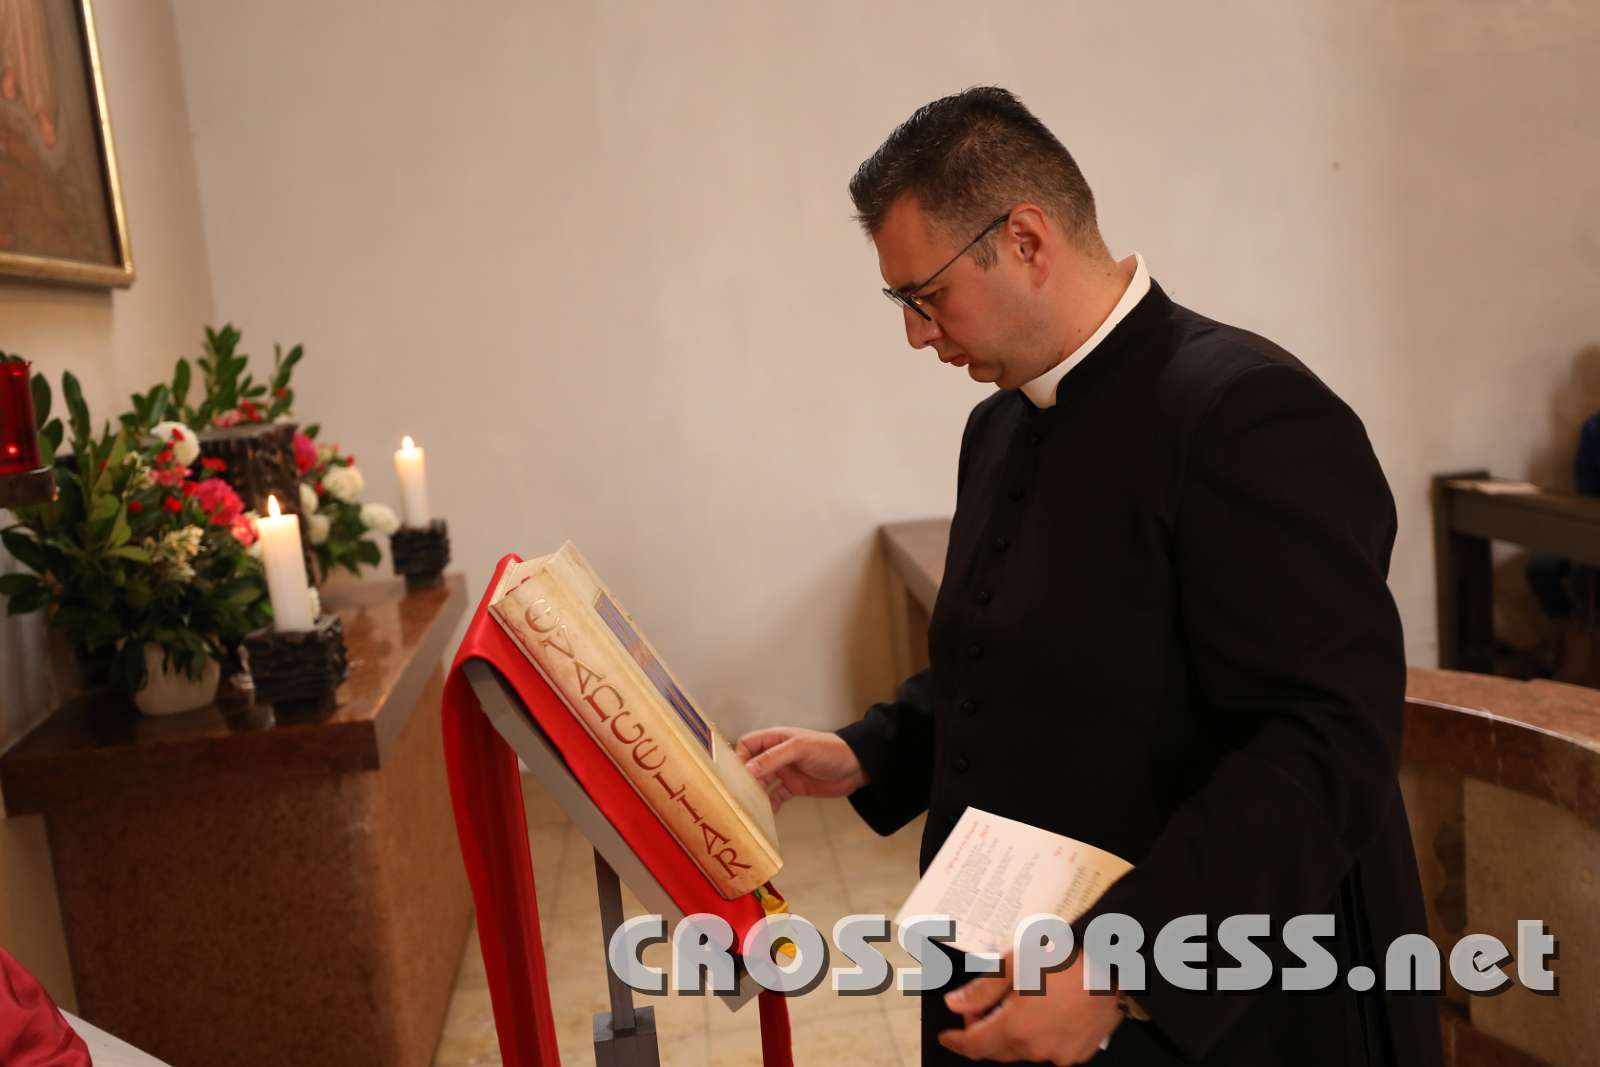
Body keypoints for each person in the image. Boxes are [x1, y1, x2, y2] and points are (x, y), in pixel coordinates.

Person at [737, 87, 1441, 1067]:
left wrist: (1122, 964)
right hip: (1014, 955)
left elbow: (1324, 741)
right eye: (902, 303)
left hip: (1202, 1000)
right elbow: (1024, 658)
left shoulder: (1249, 413)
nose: (917, 334)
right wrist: (870, 751)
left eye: (925, 295)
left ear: (1025, 240)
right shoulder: (999, 425)